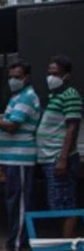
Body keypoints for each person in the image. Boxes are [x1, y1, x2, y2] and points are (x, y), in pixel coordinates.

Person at [0, 61, 41, 251]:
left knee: (19, 202)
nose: (13, 80)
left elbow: (12, 126)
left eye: (18, 77)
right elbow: (6, 121)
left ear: (26, 78)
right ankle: (21, 241)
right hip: (12, 159)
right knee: (14, 201)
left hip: (20, 158)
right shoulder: (17, 97)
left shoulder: (27, 97)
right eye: (11, 77)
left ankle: (15, 246)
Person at [37, 55, 83, 238]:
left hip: (59, 157)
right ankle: (64, 244)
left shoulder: (70, 95)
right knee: (57, 202)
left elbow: (72, 128)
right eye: (49, 73)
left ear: (66, 76)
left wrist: (63, 158)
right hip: (50, 157)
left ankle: (68, 246)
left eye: (55, 73)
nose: (51, 77)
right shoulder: (55, 96)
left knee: (66, 203)